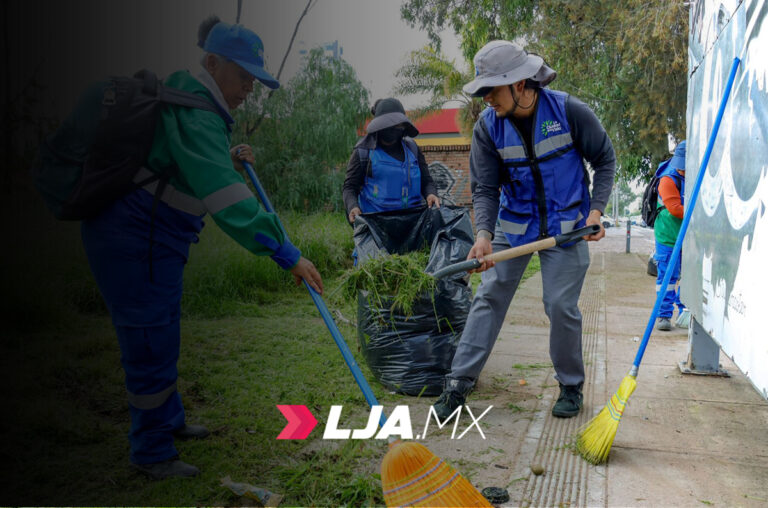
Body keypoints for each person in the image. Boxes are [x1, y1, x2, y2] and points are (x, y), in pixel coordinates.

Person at [80, 16, 323, 479]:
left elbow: (182, 165)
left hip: (158, 240)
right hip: (134, 239)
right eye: (243, 75)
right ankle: (151, 452)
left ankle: (169, 421)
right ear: (212, 63)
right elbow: (229, 203)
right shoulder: (195, 108)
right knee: (149, 339)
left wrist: (227, 160)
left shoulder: (196, 107)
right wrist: (288, 254)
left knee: (163, 331)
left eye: (254, 79)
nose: (249, 87)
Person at [432, 40, 615, 419]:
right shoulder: (488, 128)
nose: (486, 99)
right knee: (489, 295)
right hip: (514, 225)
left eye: (492, 90)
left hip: (566, 227)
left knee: (560, 305)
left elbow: (604, 158)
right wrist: (483, 235)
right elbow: (484, 188)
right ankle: (458, 384)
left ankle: (570, 385)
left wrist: (595, 212)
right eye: (482, 92)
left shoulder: (568, 111)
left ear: (519, 84)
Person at [342, 98, 440, 225]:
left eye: (398, 125)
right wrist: (353, 206)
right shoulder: (364, 152)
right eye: (390, 125)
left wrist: (431, 194)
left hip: (413, 222)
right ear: (380, 126)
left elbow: (427, 181)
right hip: (376, 224)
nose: (395, 128)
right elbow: (349, 187)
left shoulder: (412, 149)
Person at [653, 141, 687, 331]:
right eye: (680, 165)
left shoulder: (696, 175)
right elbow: (675, 208)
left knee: (689, 277)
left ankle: (685, 313)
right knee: (667, 278)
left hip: (688, 238)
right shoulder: (667, 179)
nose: (682, 169)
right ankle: (663, 315)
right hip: (668, 236)